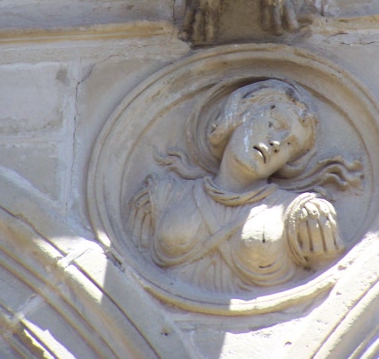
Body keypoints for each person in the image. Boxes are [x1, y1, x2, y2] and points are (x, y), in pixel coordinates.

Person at [128, 79, 359, 293]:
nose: (277, 143)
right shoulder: (160, 198)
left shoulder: (302, 215)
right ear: (241, 113)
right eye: (274, 124)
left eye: (291, 145)